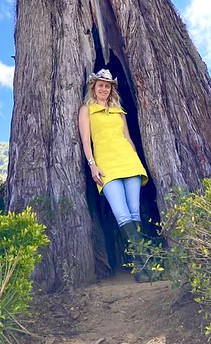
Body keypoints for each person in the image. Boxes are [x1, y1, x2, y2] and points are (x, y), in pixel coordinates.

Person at [78, 68, 158, 282]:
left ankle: (143, 269)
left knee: (134, 213)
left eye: (107, 86)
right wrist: (92, 165)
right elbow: (86, 141)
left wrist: (136, 161)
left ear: (111, 89)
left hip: (128, 162)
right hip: (106, 165)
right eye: (100, 85)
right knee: (121, 214)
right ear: (93, 87)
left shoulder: (119, 111)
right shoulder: (86, 110)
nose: (103, 88)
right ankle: (144, 264)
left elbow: (128, 138)